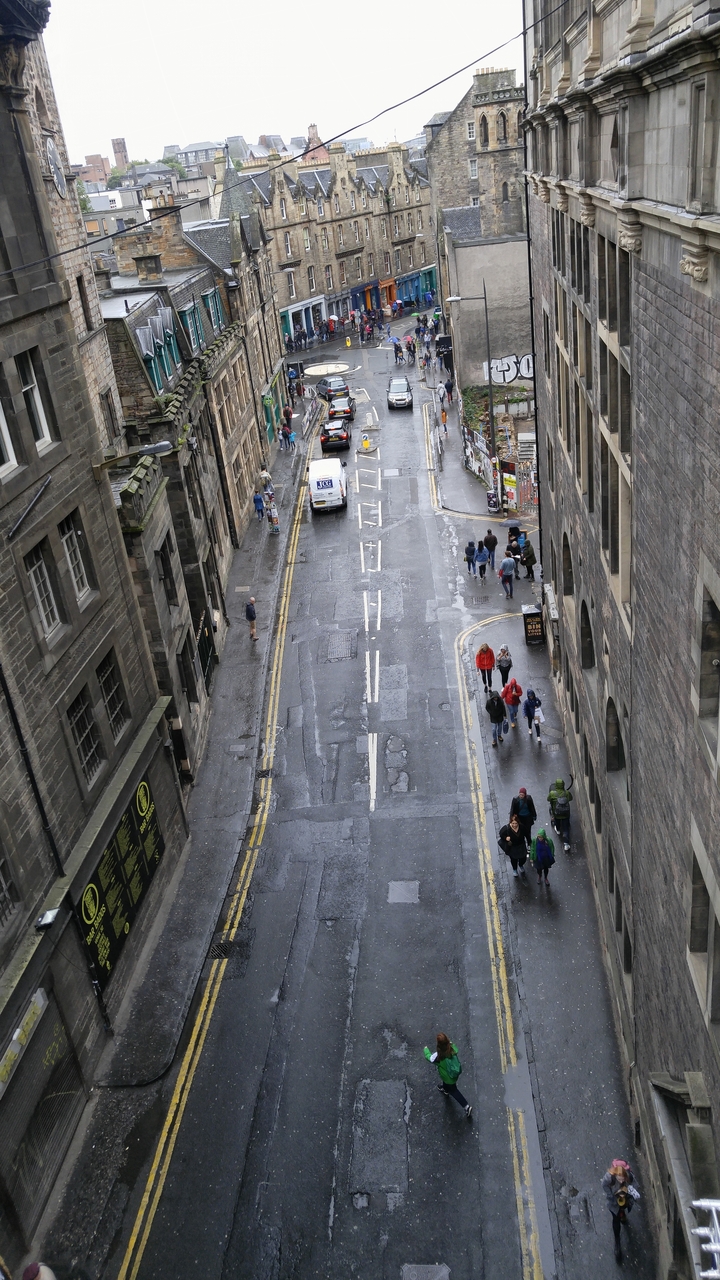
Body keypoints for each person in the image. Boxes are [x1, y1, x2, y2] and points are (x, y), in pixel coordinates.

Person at [424, 1033, 472, 1119]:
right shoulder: (452, 1048)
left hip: (448, 1078)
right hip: (453, 1075)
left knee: (453, 1090)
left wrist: (425, 1050)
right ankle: (445, 1089)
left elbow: (430, 1058)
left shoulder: (440, 1057)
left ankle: (466, 1106)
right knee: (449, 1085)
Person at [602, 1159, 638, 1263]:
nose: (621, 1181)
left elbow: (635, 1185)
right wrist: (611, 1196)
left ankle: (623, 1216)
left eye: (623, 1179)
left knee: (623, 1209)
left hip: (625, 1199)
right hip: (614, 1201)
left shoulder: (629, 1177)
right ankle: (617, 1242)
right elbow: (604, 1185)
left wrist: (629, 1192)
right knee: (615, 1219)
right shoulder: (609, 1177)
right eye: (619, 1178)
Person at [548, 777, 573, 850]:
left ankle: (558, 830)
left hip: (556, 813)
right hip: (566, 814)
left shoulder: (552, 793)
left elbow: (548, 799)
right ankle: (566, 844)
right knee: (566, 828)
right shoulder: (566, 793)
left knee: (557, 823)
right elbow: (571, 798)